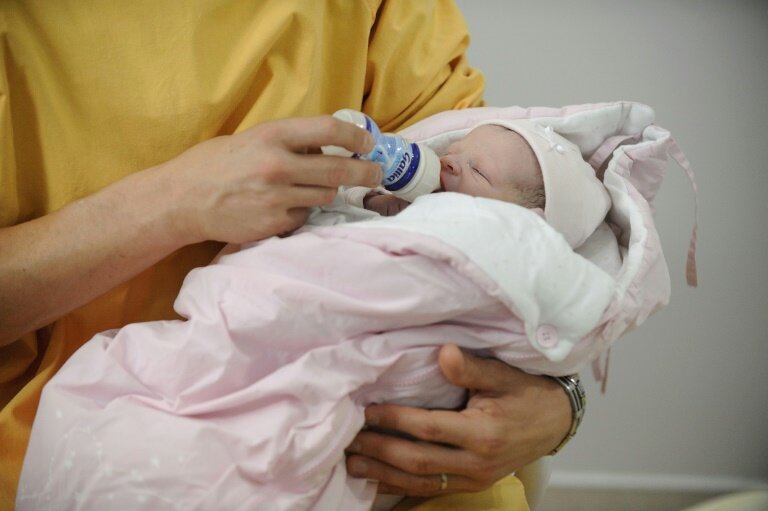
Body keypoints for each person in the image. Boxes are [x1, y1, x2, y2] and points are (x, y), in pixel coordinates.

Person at [0, 2, 575, 509]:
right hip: (69, 435)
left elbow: (522, 242)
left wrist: (558, 403)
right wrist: (172, 203)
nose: (456, 167)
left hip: (379, 452)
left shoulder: (385, 16)